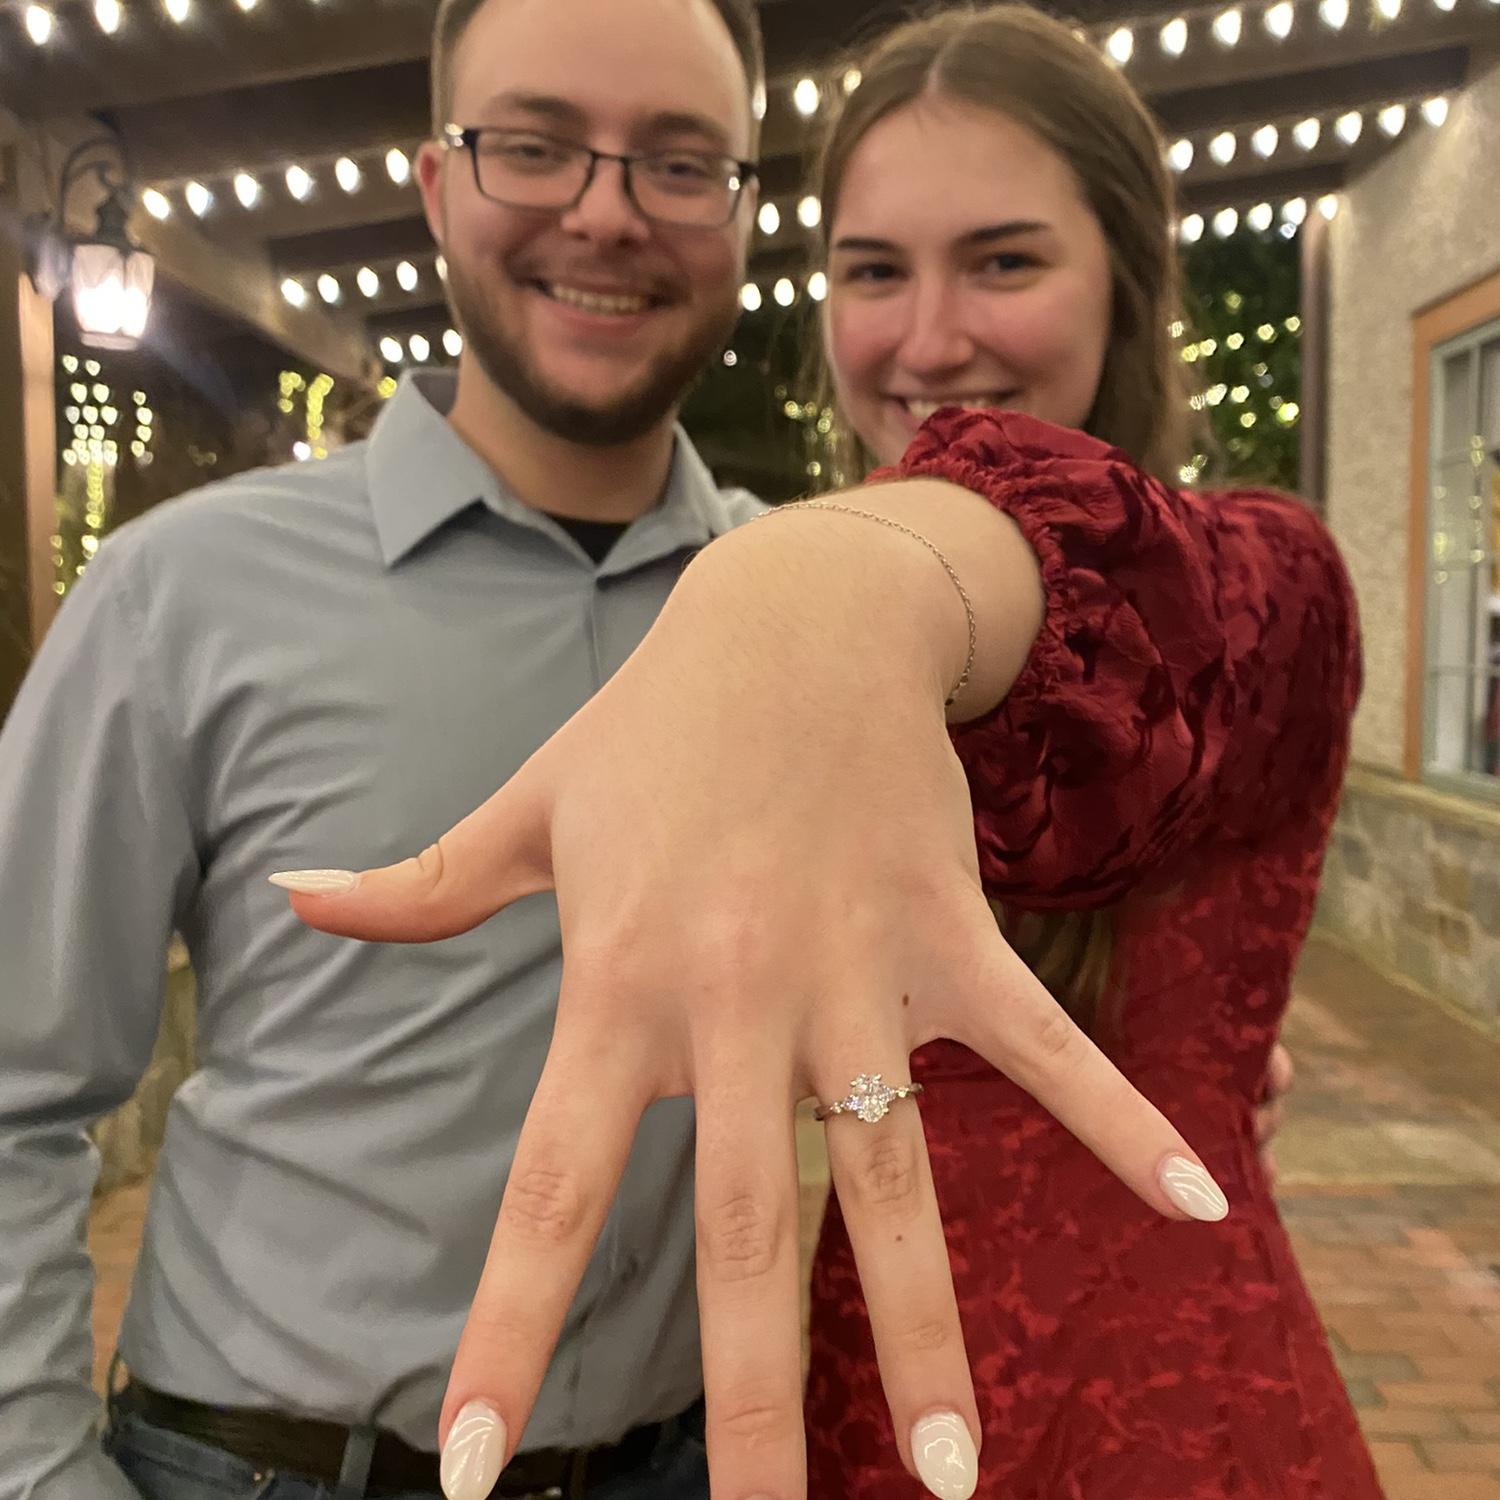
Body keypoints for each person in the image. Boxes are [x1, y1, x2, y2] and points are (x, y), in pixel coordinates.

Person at [283, 7, 1368, 1500]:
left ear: (1129, 274)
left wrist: (835, 573)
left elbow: (1134, 608)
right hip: (853, 1408)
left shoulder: (1270, 575)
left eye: (1004, 259)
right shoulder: (784, 686)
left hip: (1174, 1433)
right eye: (874, 270)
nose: (932, 338)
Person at [0, 0, 767, 1496]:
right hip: (264, 1466)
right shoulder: (184, 594)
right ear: (435, 187)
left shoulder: (789, 616)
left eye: (682, 163)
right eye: (534, 147)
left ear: (744, 208)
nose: (606, 216)